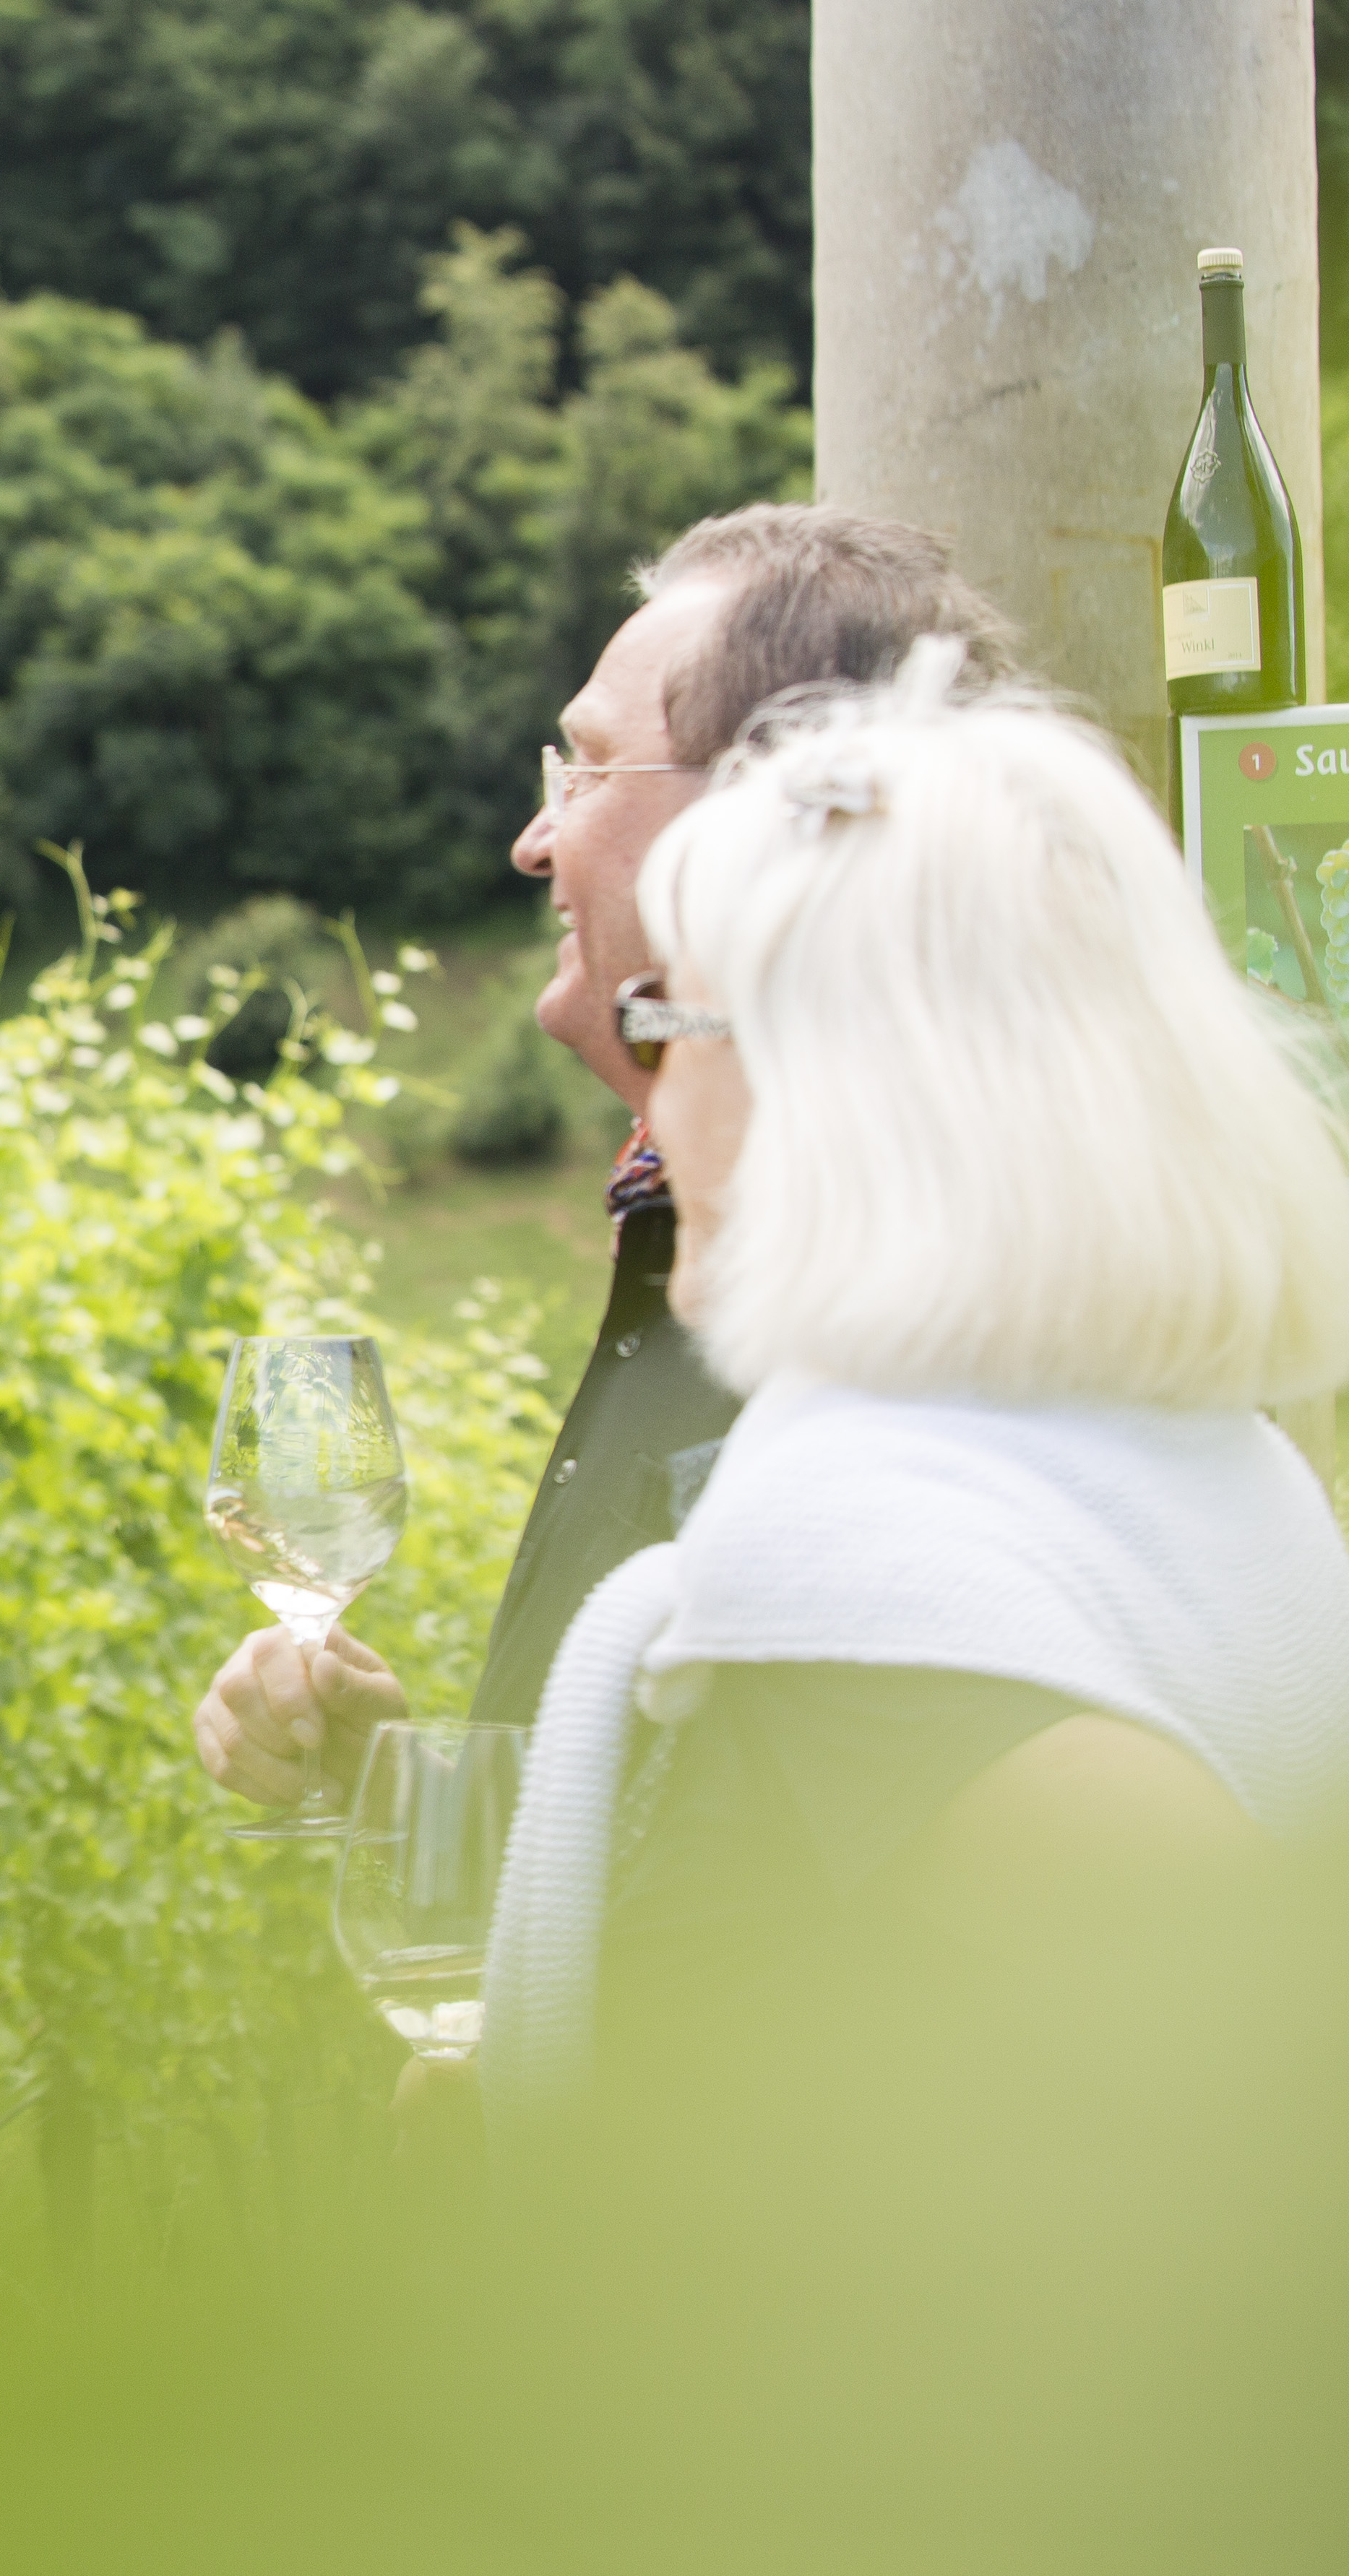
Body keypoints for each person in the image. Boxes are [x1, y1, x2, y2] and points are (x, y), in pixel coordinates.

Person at [479, 649, 1349, 2134]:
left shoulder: (859, 1541)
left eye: (671, 1027)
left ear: (838, 1084)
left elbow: (1266, 2063)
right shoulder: (1186, 1455)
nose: (653, 1108)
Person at [193, 506, 1012, 1805]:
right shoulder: (700, 1231)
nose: (534, 839)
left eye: (589, 771)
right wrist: (398, 1792)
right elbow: (704, 1852)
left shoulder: (931, 1329)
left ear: (760, 834)